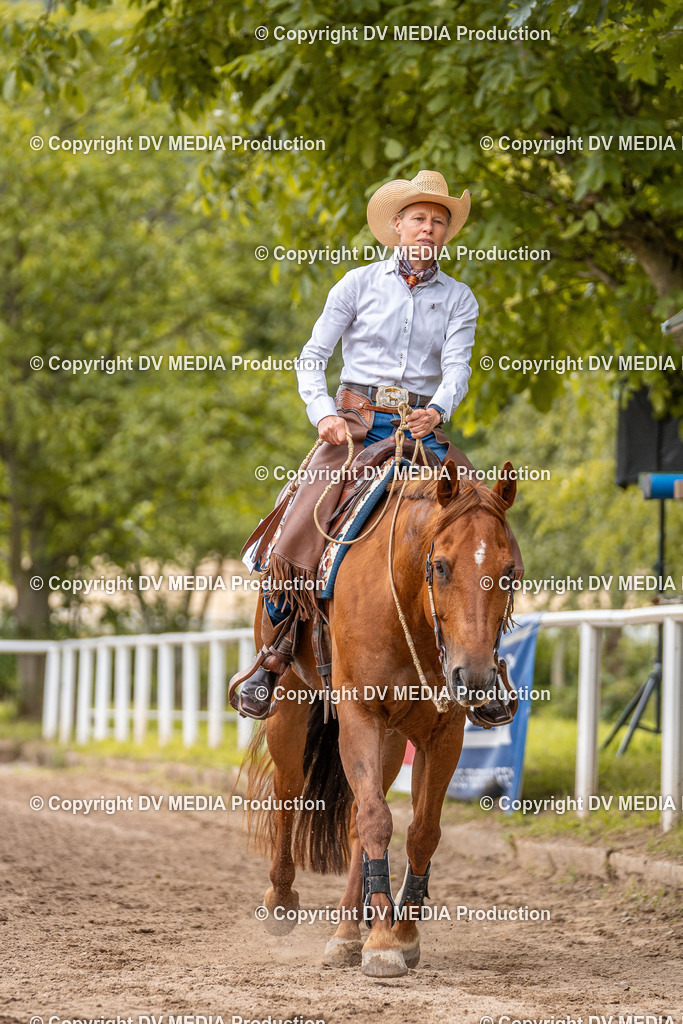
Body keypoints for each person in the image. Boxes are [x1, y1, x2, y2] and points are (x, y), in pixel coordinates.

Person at [229, 170, 523, 720]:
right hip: (356, 424)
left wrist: (439, 409)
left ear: (446, 234)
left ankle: (485, 664)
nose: (428, 229)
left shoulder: (460, 298)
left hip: (421, 427)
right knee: (296, 529)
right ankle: (275, 654)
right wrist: (323, 414)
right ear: (397, 226)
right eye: (419, 218)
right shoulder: (357, 284)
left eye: (438, 222)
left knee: (484, 525)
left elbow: (457, 368)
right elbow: (312, 356)